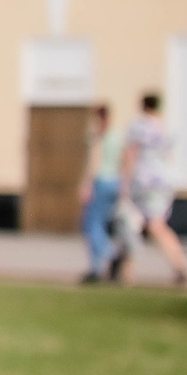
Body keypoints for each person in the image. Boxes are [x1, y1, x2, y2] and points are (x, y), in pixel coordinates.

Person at [118, 90, 187, 285]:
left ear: (142, 106)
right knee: (156, 225)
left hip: (142, 182)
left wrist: (123, 183)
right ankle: (178, 263)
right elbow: (169, 156)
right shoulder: (166, 128)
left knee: (132, 224)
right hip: (163, 182)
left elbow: (130, 154)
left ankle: (127, 271)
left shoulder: (137, 126)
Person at [77, 103, 123, 285]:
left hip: (100, 181)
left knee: (91, 224)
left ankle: (109, 254)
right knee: (100, 224)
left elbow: (93, 162)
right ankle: (96, 267)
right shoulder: (116, 137)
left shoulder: (98, 137)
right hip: (113, 181)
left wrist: (86, 184)